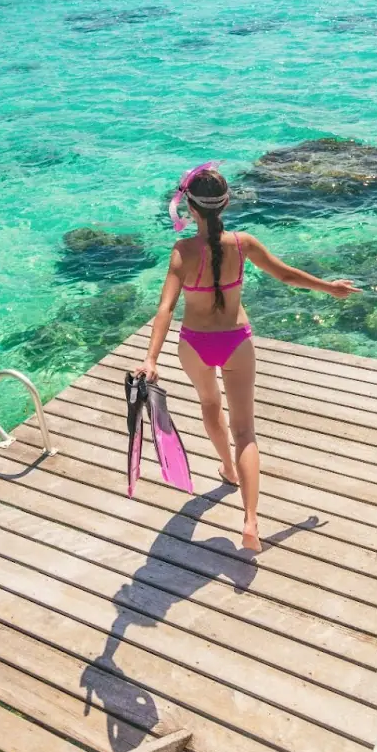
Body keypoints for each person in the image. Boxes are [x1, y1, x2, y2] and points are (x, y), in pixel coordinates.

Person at [137, 162, 358, 551]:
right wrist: (331, 288)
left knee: (209, 404)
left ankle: (226, 468)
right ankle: (252, 521)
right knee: (246, 432)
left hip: (194, 344)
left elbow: (165, 309)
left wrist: (151, 360)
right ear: (225, 204)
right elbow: (288, 275)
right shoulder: (244, 244)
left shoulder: (183, 251)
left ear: (189, 208)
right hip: (236, 342)